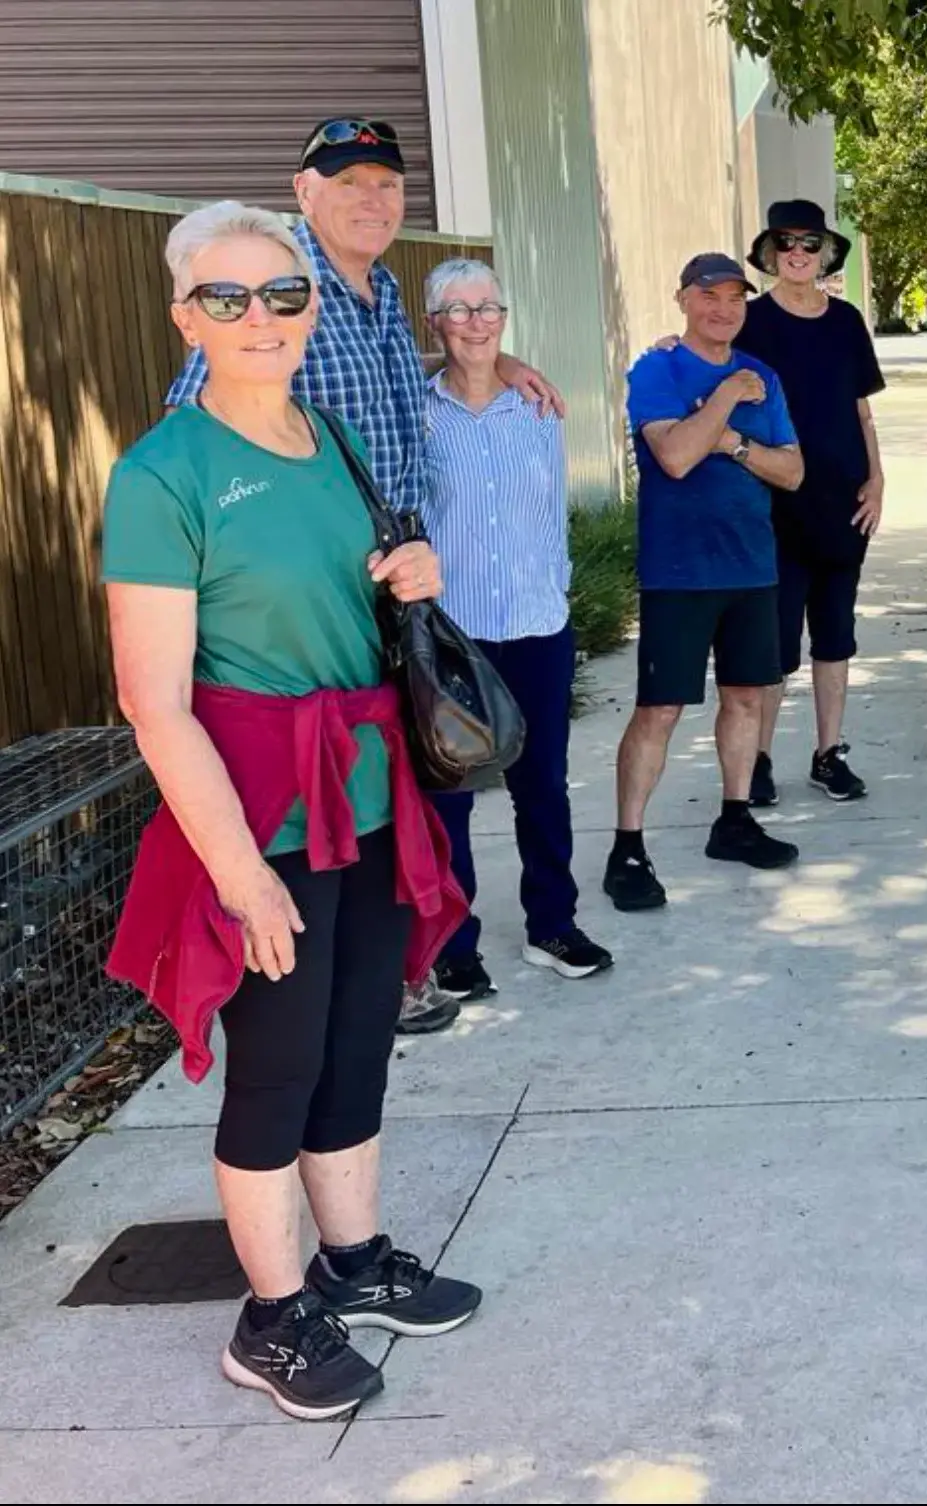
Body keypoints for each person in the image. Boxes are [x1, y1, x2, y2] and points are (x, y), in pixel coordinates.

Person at [104, 201, 481, 1421]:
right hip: (254, 807)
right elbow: (154, 704)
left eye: (280, 295)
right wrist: (239, 875)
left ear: (309, 309)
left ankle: (353, 1262)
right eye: (227, 297)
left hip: (368, 790)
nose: (258, 317)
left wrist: (411, 574)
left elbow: (359, 605)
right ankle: (268, 1321)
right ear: (186, 316)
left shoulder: (329, 438)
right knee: (279, 1063)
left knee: (362, 1037)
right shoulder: (164, 471)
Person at [167, 116, 559, 1035]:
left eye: (386, 182)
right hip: (317, 595)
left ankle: (400, 959)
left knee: (398, 778)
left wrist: (490, 358)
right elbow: (200, 427)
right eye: (347, 182)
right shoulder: (279, 293)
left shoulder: (381, 290)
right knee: (323, 792)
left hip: (397, 585)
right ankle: (340, 976)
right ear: (304, 194)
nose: (372, 198)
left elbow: (399, 404)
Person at [418, 258, 612, 1000]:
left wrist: (556, 591)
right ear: (435, 323)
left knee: (543, 786)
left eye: (488, 308)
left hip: (535, 624)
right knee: (451, 794)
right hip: (455, 636)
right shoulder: (416, 410)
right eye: (458, 310)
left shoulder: (537, 408)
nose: (475, 321)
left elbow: (549, 513)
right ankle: (453, 943)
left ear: (504, 319)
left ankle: (552, 925)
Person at [606, 253, 805, 912]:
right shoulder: (656, 370)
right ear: (683, 299)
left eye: (734, 299)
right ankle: (628, 846)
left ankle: (735, 819)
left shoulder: (765, 377)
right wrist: (724, 398)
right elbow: (675, 454)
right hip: (680, 571)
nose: (723, 309)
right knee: (659, 709)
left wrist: (735, 446)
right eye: (709, 296)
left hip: (751, 566)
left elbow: (792, 471)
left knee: (748, 699)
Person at [735, 199, 886, 805]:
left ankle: (828, 755)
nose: (798, 253)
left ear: (826, 251)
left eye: (809, 243)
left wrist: (877, 481)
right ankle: (761, 759)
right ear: (772, 253)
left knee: (836, 637)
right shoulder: (749, 321)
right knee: (773, 647)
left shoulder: (847, 322)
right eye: (787, 242)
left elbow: (863, 411)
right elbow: (705, 364)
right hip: (774, 508)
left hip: (843, 504)